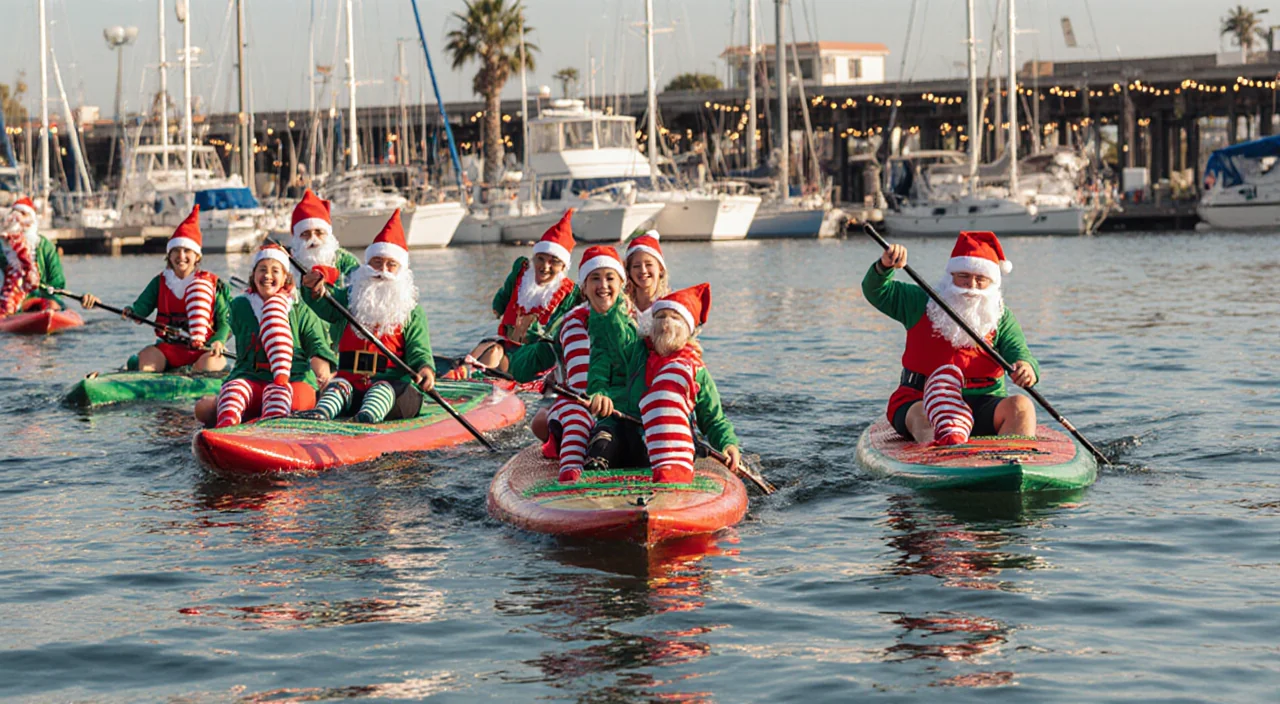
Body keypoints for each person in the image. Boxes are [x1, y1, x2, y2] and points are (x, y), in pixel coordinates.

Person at [863, 230, 1040, 445]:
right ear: (951, 276)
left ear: (992, 282)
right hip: (922, 399)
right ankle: (940, 457)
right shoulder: (920, 301)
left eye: (980, 279)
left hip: (984, 402)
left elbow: (1019, 352)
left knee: (1022, 406)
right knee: (925, 416)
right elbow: (876, 291)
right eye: (963, 276)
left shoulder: (1001, 316)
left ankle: (1012, 463)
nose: (971, 286)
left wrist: (1026, 368)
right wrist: (884, 266)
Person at [585, 283, 741, 484]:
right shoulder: (634, 351)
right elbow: (615, 333)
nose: (665, 323)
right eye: (659, 317)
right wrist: (611, 304)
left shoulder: (697, 372)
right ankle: (592, 478)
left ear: (688, 330)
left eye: (674, 318)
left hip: (664, 440)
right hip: (622, 426)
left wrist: (728, 444)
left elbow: (713, 419)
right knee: (604, 440)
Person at [298, 210, 437, 423]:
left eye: (391, 265)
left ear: (402, 271)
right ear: (366, 265)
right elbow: (324, 303)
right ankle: (320, 415)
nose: (382, 271)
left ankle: (366, 420)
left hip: (394, 392)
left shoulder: (412, 311)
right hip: (352, 387)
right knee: (338, 386)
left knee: (381, 389)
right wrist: (314, 289)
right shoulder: (350, 298)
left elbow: (419, 349)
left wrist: (425, 369)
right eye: (376, 263)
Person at [510, 245, 629, 482]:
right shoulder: (565, 325)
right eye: (595, 278)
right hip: (577, 408)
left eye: (609, 278)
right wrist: (530, 339)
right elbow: (521, 371)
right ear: (584, 287)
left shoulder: (635, 323)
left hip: (620, 411)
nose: (603, 286)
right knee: (560, 419)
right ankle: (571, 475)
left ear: (621, 284)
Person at [193, 244, 337, 427]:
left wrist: (322, 370)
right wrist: (219, 341)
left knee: (293, 404)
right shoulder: (240, 305)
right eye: (262, 270)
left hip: (293, 380)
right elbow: (225, 326)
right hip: (251, 376)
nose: (267, 276)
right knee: (210, 406)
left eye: (275, 271)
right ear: (254, 275)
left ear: (285, 277)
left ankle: (272, 429)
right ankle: (227, 431)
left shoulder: (300, 307)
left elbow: (316, 343)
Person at [80, 206, 231, 373]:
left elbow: (226, 322)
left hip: (204, 351)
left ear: (197, 257)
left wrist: (219, 341)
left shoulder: (214, 286)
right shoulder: (159, 282)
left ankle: (196, 372)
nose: (181, 256)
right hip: (168, 350)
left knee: (210, 365)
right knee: (147, 363)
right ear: (169, 255)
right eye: (176, 251)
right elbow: (140, 310)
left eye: (187, 251)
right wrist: (130, 311)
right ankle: (142, 367)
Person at [445, 209, 579, 379]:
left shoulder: (569, 293)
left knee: (499, 352)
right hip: (507, 343)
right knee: (493, 349)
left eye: (553, 262)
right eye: (540, 259)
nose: (545, 267)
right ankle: (464, 373)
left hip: (534, 354)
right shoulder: (522, 271)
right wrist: (498, 306)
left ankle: (472, 376)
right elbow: (507, 290)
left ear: (563, 267)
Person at [0, 196, 65, 314]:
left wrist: (49, 294)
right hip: (11, 300)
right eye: (15, 214)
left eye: (23, 214)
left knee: (52, 305)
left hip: (42, 297)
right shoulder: (2, 248)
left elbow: (57, 282)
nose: (18, 219)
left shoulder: (46, 247)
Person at [293, 189, 361, 300]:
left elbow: (359, 291)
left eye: (319, 232)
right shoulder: (289, 263)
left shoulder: (345, 261)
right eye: (305, 234)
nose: (313, 239)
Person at [623, 230, 670, 334]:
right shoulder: (621, 306)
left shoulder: (669, 306)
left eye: (649, 264)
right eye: (636, 266)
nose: (643, 271)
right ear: (628, 271)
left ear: (661, 268)